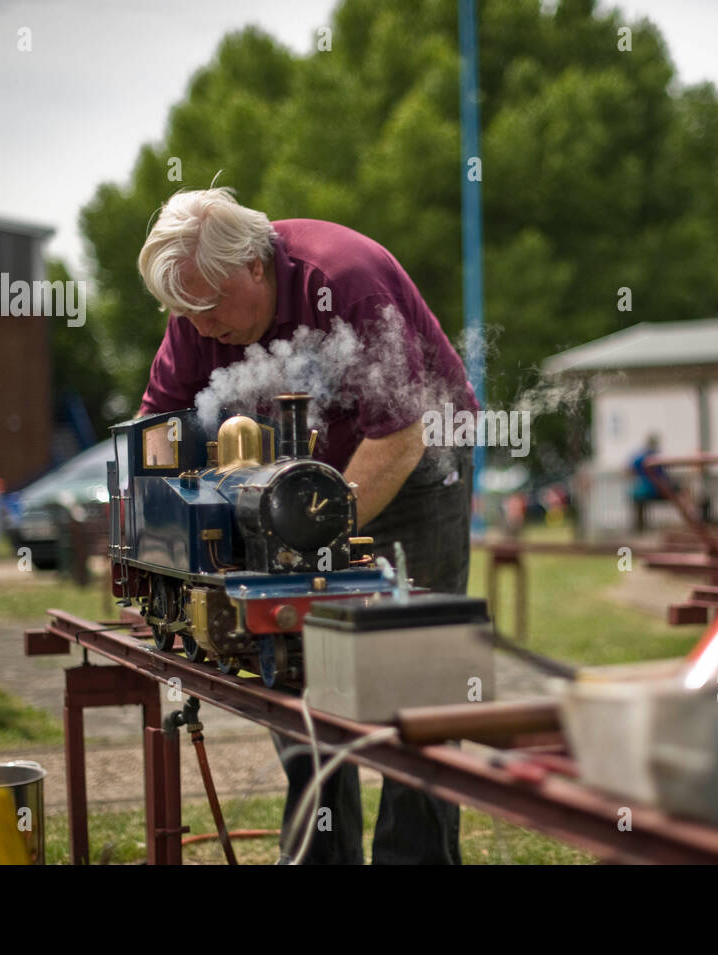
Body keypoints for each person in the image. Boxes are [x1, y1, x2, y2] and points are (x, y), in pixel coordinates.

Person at [136, 187, 479, 864]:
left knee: (417, 683)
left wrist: (308, 531)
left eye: (207, 306)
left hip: (416, 466)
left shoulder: (346, 280)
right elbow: (156, 435)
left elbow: (401, 438)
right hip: (295, 491)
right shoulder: (197, 320)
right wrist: (162, 540)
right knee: (294, 670)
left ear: (256, 267)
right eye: (186, 312)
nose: (200, 327)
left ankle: (416, 857)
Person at [630, 434, 665, 533]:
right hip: (654, 489)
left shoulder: (640, 458)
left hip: (644, 490)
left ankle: (639, 527)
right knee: (640, 499)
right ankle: (641, 526)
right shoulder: (656, 458)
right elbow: (662, 476)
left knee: (638, 500)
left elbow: (630, 469)